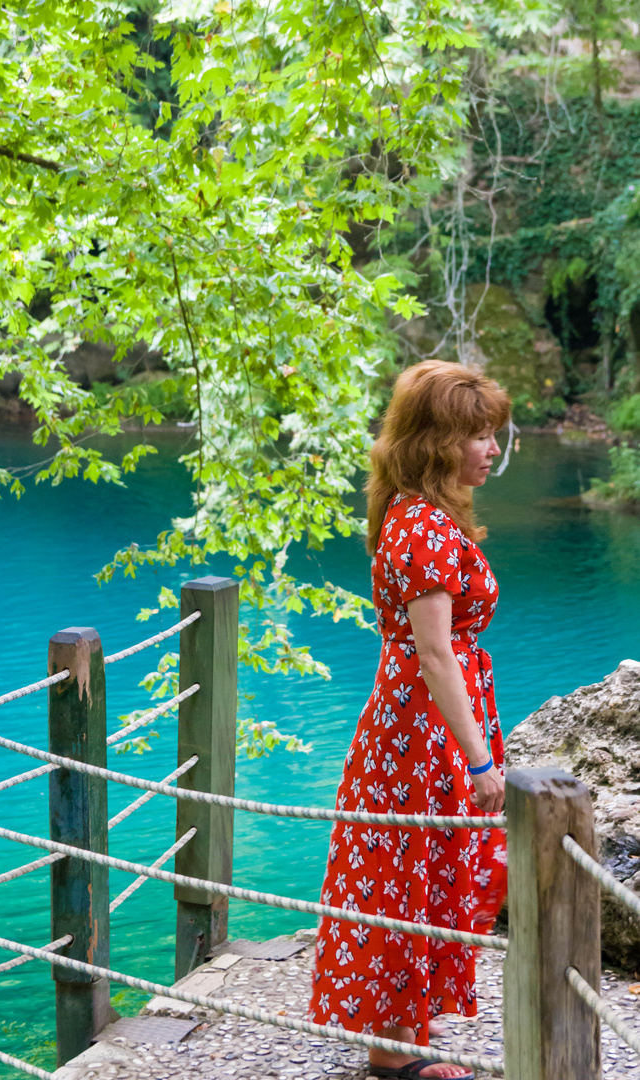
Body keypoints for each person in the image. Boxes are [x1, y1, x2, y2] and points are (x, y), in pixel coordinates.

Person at [308, 360, 509, 1080]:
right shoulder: (421, 526)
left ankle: (399, 1035)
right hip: (421, 725)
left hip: (425, 718)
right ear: (434, 442)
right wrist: (479, 759)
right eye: (477, 435)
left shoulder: (414, 513)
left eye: (491, 435)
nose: (490, 449)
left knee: (415, 865)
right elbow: (432, 652)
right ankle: (393, 1050)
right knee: (408, 866)